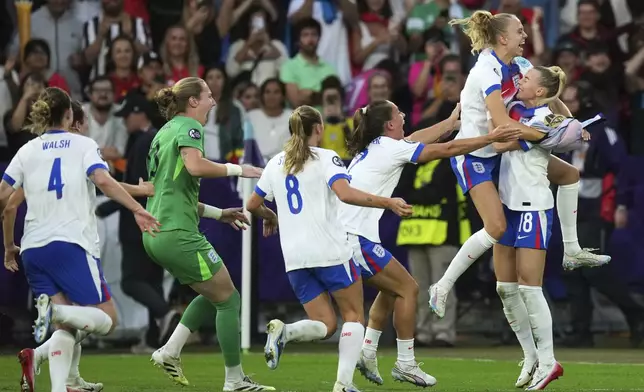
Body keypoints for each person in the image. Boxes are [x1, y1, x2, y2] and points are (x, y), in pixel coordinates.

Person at [429, 10, 611, 320]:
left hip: (500, 151)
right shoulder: (486, 70)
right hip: (474, 155)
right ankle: (443, 285)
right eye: (520, 31)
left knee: (568, 174)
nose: (525, 36)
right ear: (503, 38)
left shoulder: (521, 66)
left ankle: (571, 249)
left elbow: (549, 96)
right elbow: (499, 126)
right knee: (497, 227)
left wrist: (570, 124)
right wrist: (547, 133)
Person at [341, 100, 520, 387]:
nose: (403, 115)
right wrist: (490, 138)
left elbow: (416, 139)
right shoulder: (389, 148)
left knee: (391, 290)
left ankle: (367, 352)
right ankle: (405, 363)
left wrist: (450, 124)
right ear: (389, 125)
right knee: (409, 288)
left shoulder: (377, 146)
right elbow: (446, 150)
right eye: (398, 113)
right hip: (354, 238)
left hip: (352, 235)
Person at [0, 87, 161, 392]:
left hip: (33, 249)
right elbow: (101, 178)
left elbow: (5, 201)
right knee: (107, 319)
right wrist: (138, 209)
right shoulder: (83, 144)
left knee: (68, 327)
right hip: (71, 243)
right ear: (70, 115)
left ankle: (63, 385)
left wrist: (9, 248)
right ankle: (54, 313)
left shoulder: (27, 150)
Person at [245, 105, 413, 392]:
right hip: (331, 250)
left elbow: (251, 204)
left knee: (326, 324)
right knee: (353, 316)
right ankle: (343, 384)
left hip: (295, 259)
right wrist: (388, 201)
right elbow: (345, 194)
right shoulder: (326, 158)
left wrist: (270, 216)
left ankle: (286, 331)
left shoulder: (275, 163)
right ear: (319, 129)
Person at [142, 77, 274, 391]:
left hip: (157, 231)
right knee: (229, 299)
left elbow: (171, 191)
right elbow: (195, 166)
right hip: (177, 232)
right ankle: (234, 380)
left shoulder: (163, 133)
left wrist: (219, 213)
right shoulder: (191, 127)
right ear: (192, 102)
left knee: (213, 292)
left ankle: (170, 351)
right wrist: (241, 169)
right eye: (209, 96)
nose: (213, 102)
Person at [493, 66, 568, 390]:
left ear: (540, 91)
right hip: (507, 204)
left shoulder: (545, 120)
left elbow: (500, 145)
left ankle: (549, 361)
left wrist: (507, 129)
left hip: (532, 207)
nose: (520, 81)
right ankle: (531, 356)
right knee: (504, 287)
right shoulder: (519, 110)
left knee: (529, 286)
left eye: (526, 80)